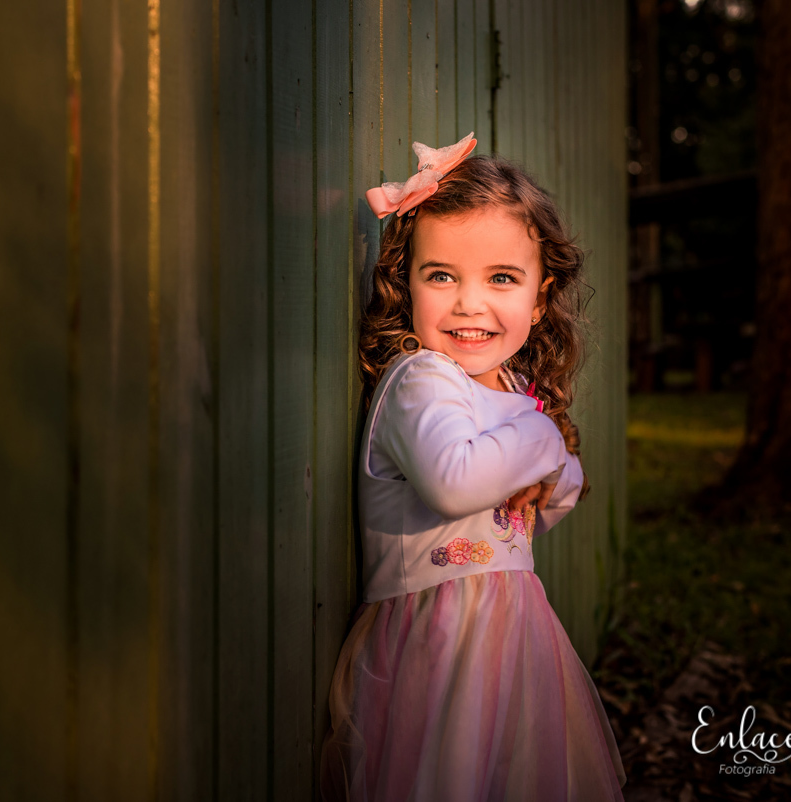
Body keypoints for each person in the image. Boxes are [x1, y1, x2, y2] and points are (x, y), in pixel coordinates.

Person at [319, 133, 628, 801]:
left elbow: (553, 500)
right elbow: (453, 480)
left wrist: (548, 460)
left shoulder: (511, 389)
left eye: (501, 279)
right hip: (436, 643)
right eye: (441, 276)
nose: (468, 303)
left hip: (512, 638)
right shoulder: (420, 379)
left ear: (540, 299)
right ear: (405, 283)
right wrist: (542, 440)